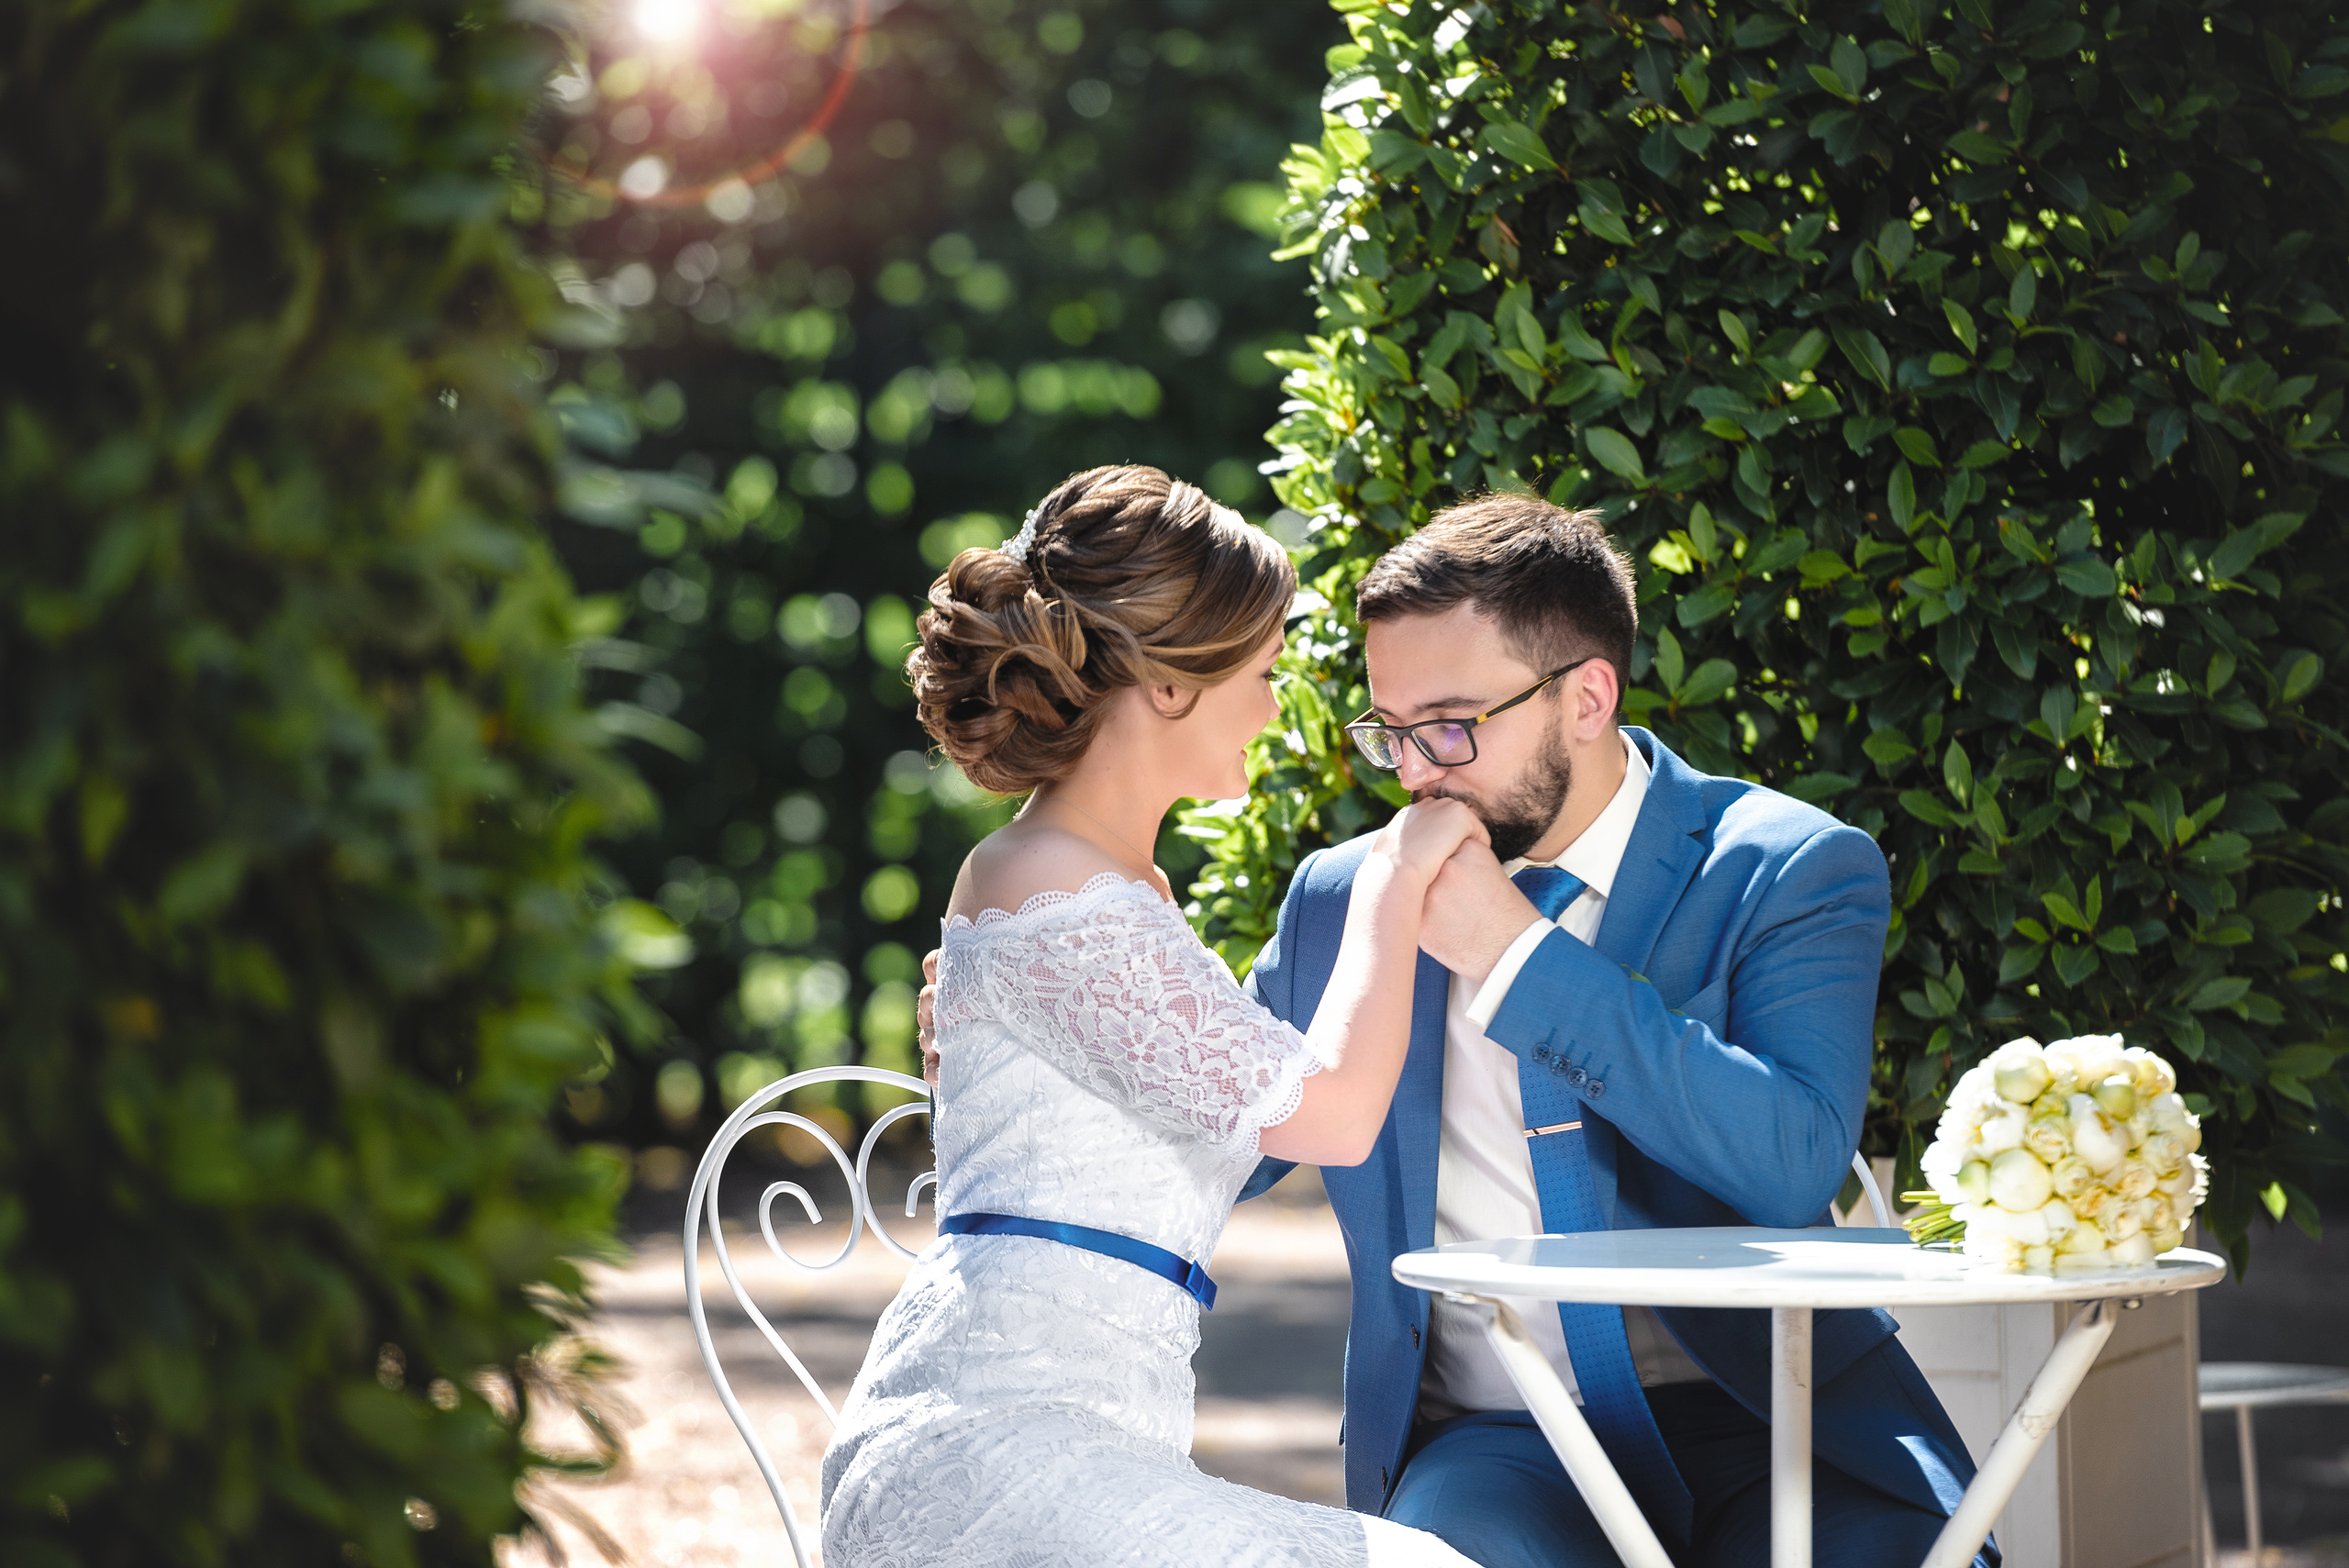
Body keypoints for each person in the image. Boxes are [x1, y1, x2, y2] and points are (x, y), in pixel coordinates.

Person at [923, 495, 1990, 1568]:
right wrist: (1018, 1021)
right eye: (1391, 730)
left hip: (1773, 1425)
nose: (1416, 772)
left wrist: (1516, 957)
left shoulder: (1784, 866)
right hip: (1495, 1443)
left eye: (1449, 724)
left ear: (1586, 695)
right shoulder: (1346, 896)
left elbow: (1791, 1163)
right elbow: (1224, 1126)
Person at [819, 464, 1489, 1568]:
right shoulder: (1048, 881)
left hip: (1096, 1450)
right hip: (990, 1453)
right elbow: (1330, 1117)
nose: (1278, 708)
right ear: (1171, 684)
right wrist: (1390, 885)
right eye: (1264, 672)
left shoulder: (1108, 894)